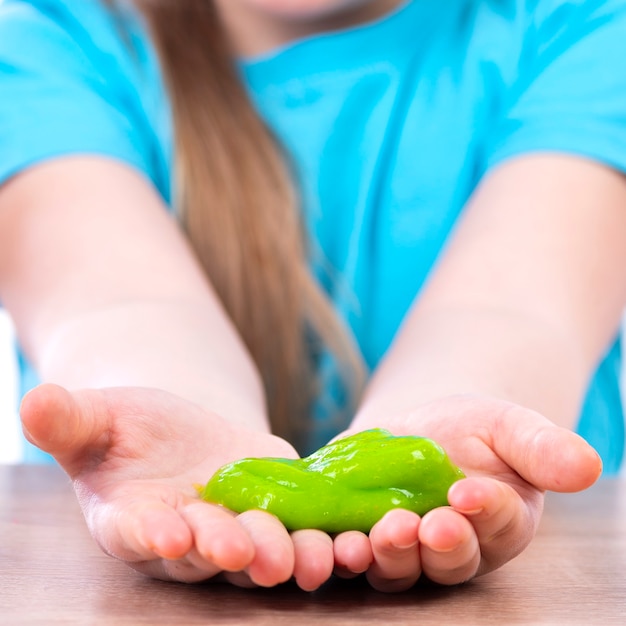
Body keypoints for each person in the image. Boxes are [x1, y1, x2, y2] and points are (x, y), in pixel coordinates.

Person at [0, 0, 624, 593]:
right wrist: (161, 415)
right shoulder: (51, 34)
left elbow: (517, 308)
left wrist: (453, 424)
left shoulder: (579, 24)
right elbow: (116, 304)